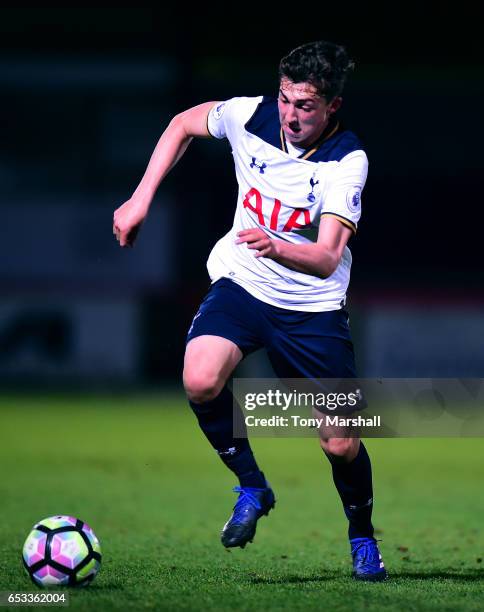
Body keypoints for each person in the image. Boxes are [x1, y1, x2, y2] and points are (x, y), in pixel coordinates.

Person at [113, 40, 387, 582]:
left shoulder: (346, 160)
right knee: (200, 378)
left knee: (340, 442)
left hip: (311, 307)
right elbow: (182, 124)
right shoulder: (250, 115)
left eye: (305, 105)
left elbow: (327, 255)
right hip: (244, 284)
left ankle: (361, 536)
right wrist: (141, 197)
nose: (290, 114)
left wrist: (278, 244)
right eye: (286, 99)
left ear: (332, 106)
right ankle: (253, 485)